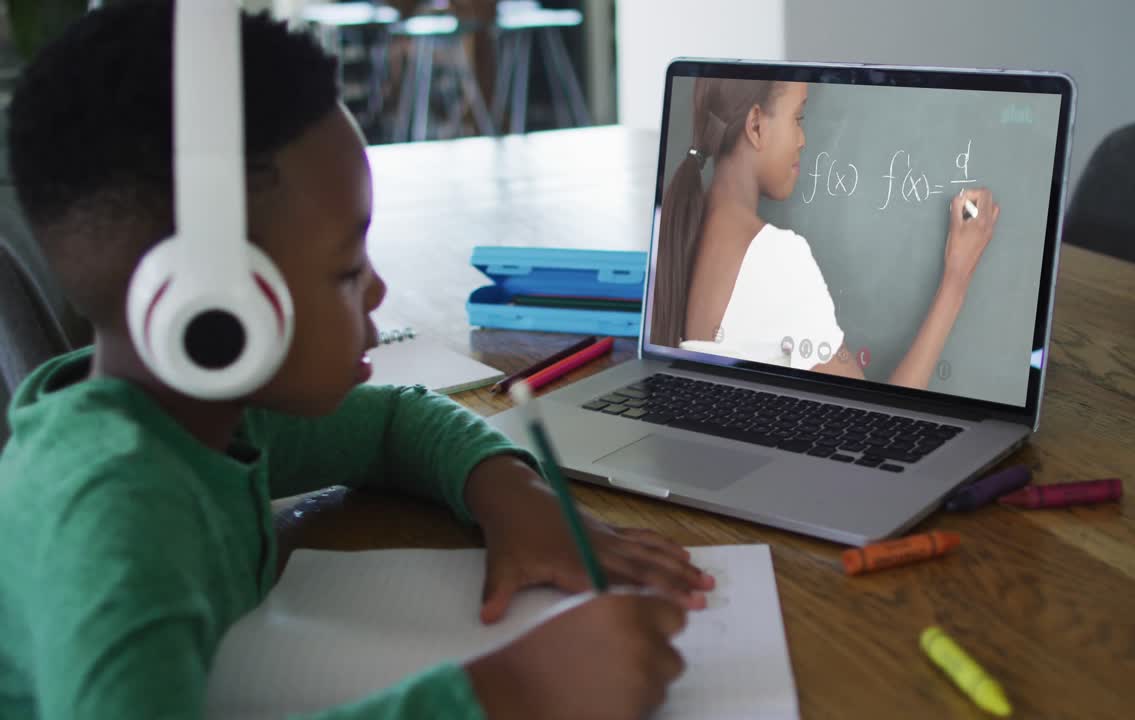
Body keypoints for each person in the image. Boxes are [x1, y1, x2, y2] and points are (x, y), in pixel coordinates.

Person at [0, 4, 711, 719]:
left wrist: (513, 497)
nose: (376, 288)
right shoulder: (114, 522)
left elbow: (391, 422)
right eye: (345, 270)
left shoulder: (204, 417)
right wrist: (507, 695)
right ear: (215, 312)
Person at [651, 78, 1001, 389]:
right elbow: (871, 428)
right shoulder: (777, 257)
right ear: (755, 125)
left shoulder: (684, 230)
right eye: (798, 118)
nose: (803, 140)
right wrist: (957, 276)